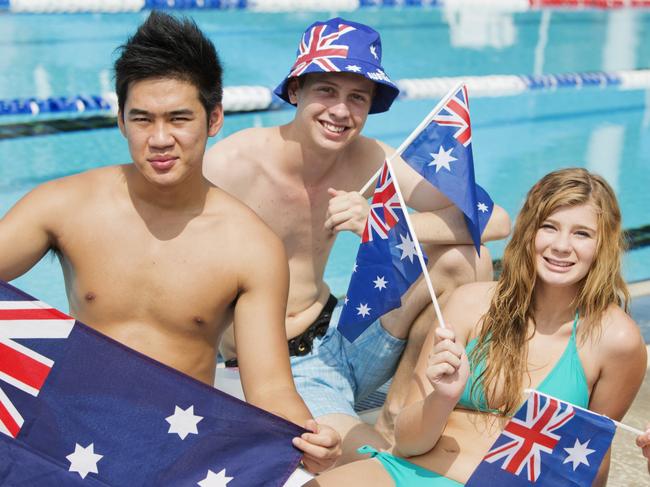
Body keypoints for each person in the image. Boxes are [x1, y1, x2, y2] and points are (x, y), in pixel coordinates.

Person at [0, 12, 340, 473]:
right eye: (142, 119)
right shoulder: (64, 206)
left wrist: (309, 436)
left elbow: (271, 389)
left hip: (172, 448)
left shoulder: (250, 246)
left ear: (215, 118)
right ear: (120, 121)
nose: (160, 139)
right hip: (69, 433)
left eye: (179, 118)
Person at [203, 17, 511, 459]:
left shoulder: (369, 158)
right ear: (295, 92)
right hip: (284, 367)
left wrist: (382, 221)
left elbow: (497, 221)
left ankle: (396, 412)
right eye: (326, 90)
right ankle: (385, 436)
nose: (341, 112)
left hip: (345, 332)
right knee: (377, 469)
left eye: (357, 98)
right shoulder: (233, 165)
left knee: (466, 259)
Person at [307, 167, 648, 485]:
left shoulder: (616, 341)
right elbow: (407, 442)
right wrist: (442, 398)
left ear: (603, 244)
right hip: (414, 471)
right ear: (529, 231)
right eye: (549, 226)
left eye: (582, 234)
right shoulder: (470, 305)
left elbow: (591, 464)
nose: (561, 246)